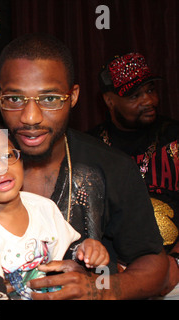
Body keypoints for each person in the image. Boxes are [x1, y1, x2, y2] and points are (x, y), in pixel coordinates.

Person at [0, 33, 168, 299]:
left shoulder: (111, 167)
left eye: (50, 98)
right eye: (15, 98)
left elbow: (156, 267)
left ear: (73, 96)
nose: (31, 117)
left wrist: (98, 290)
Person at [0, 120, 109, 300]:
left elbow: (68, 252)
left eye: (7, 155)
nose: (0, 168)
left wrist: (86, 250)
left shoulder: (44, 207)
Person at [89, 52, 179, 298]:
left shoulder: (174, 138)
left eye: (150, 90)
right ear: (109, 100)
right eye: (134, 95)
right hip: (112, 274)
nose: (149, 100)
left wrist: (176, 262)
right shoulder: (91, 147)